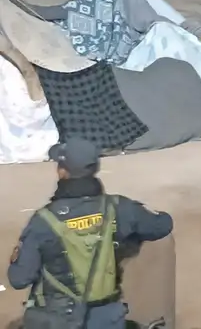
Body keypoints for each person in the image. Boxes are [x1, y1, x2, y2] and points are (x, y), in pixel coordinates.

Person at [8, 139, 173, 329]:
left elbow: (19, 279)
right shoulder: (120, 208)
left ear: (62, 172)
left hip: (58, 320)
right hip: (107, 318)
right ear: (96, 167)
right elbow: (162, 225)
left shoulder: (44, 221)